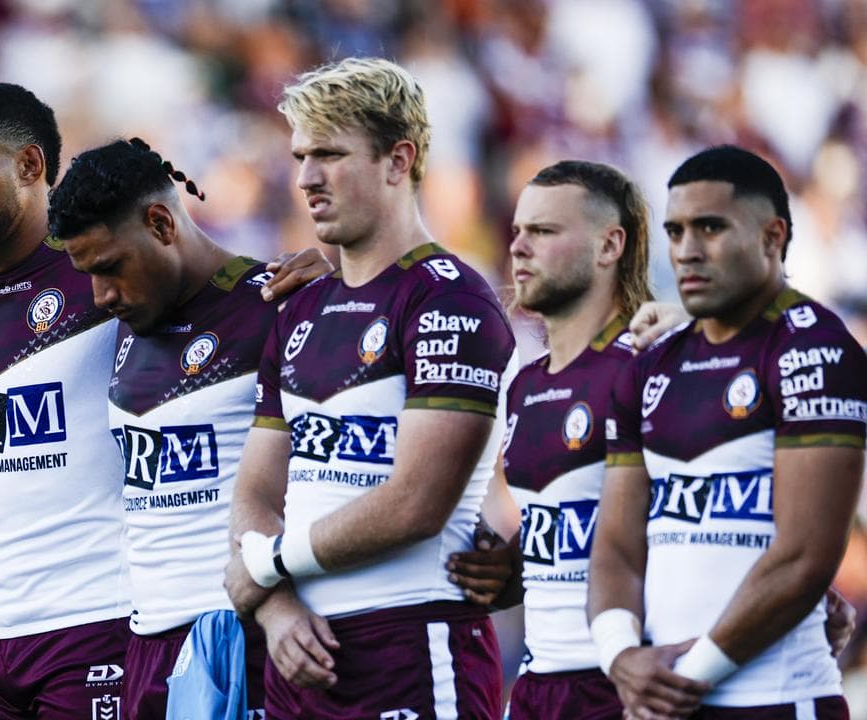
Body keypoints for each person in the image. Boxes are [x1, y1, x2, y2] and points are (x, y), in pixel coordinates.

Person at [0, 82, 327, 720]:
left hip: (106, 622)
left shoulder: (114, 272)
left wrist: (328, 276)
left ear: (29, 167)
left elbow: (201, 278)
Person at [224, 57, 517, 719]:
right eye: (301, 156)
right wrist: (274, 610)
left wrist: (267, 565)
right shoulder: (298, 307)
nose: (306, 178)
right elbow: (257, 489)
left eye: (329, 154)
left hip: (411, 645)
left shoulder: (452, 301)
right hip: (298, 655)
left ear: (397, 160)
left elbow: (416, 503)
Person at [46, 137, 331, 719]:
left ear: (161, 222)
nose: (101, 296)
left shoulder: (279, 306)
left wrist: (347, 285)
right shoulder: (120, 325)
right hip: (146, 644)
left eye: (109, 268)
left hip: (245, 635)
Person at [590, 145, 867, 719]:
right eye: (675, 230)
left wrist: (681, 681)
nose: (687, 250)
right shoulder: (649, 364)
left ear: (772, 237)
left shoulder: (812, 345)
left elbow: (805, 557)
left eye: (711, 227)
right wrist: (621, 657)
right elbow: (616, 541)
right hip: (663, 699)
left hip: (774, 699)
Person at [455, 160, 653, 718]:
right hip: (539, 684)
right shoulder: (523, 385)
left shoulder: (650, 368)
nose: (519, 247)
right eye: (517, 231)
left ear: (609, 245)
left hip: (622, 682)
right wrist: (510, 570)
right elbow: (564, 531)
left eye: (543, 232)